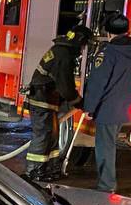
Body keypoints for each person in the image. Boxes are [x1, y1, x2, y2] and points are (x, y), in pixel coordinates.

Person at [81, 14, 131, 193]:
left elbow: (97, 82)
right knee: (110, 145)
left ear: (108, 33)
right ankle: (107, 183)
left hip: (107, 108)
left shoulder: (108, 52)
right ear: (127, 31)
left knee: (105, 148)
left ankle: (106, 186)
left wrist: (89, 107)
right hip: (123, 108)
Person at [21, 24, 93, 182]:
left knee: (52, 136)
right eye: (83, 45)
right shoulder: (63, 55)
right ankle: (34, 171)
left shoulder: (61, 51)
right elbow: (65, 86)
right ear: (79, 41)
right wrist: (79, 102)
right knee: (43, 136)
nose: (82, 49)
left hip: (47, 100)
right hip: (42, 101)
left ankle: (49, 169)